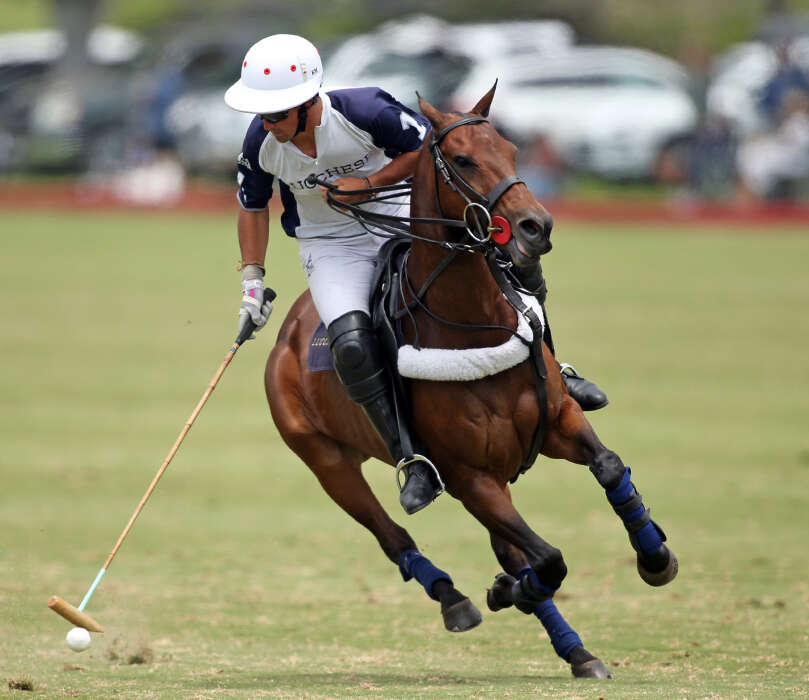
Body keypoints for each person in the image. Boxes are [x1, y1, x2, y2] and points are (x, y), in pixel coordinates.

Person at [223, 34, 606, 515]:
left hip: (401, 213)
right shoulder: (262, 142)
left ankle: (557, 372)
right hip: (332, 246)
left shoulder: (366, 111)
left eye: (276, 113)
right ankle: (413, 458)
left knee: (505, 260)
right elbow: (252, 208)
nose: (267, 122)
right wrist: (252, 283)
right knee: (352, 345)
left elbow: (428, 151)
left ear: (305, 102)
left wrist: (370, 183)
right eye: (261, 113)